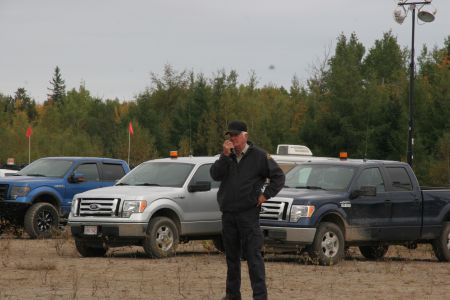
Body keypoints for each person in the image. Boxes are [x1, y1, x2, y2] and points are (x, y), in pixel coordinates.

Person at [210, 120, 285, 300]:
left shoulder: (259, 156)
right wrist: (224, 156)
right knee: (232, 259)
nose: (233, 138)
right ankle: (232, 295)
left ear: (245, 136)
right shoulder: (226, 157)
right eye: (230, 136)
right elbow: (215, 175)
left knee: (254, 258)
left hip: (248, 215)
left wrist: (265, 195)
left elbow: (278, 177)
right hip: (228, 214)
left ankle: (260, 296)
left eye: (236, 135)